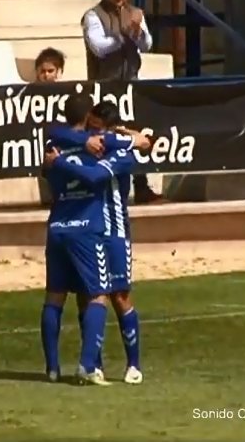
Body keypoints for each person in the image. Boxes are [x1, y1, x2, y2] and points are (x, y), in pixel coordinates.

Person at [39, 94, 142, 385]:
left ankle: (133, 364)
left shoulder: (118, 151)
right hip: (90, 228)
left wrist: (59, 162)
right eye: (91, 127)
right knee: (89, 295)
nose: (94, 133)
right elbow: (55, 132)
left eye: (99, 129)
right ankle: (91, 364)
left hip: (115, 231)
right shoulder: (81, 143)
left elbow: (98, 173)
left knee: (119, 296)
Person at [82, 0, 161, 204]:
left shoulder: (135, 13)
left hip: (131, 82)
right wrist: (122, 35)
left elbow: (147, 46)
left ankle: (141, 185)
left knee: (134, 131)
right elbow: (98, 47)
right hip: (105, 83)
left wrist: (138, 33)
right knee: (108, 134)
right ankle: (106, 186)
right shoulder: (93, 16)